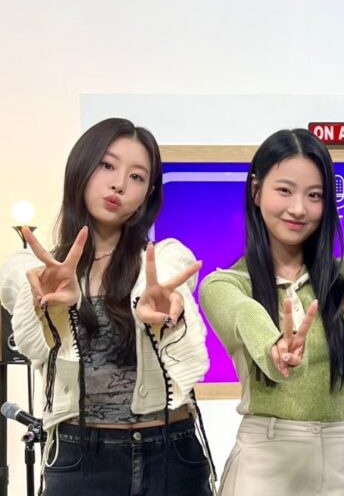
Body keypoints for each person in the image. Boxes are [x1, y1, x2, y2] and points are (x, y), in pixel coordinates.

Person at [0, 118, 213, 495]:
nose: (119, 184)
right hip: (81, 459)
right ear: (81, 167)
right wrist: (48, 304)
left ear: (148, 193)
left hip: (171, 454)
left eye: (137, 176)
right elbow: (19, 292)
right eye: (108, 165)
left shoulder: (163, 258)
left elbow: (173, 277)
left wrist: (162, 306)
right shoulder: (35, 269)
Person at [199, 129, 344, 496]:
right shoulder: (225, 284)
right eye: (285, 190)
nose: (299, 208)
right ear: (256, 191)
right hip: (264, 462)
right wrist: (275, 350)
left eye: (314, 195)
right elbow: (243, 314)